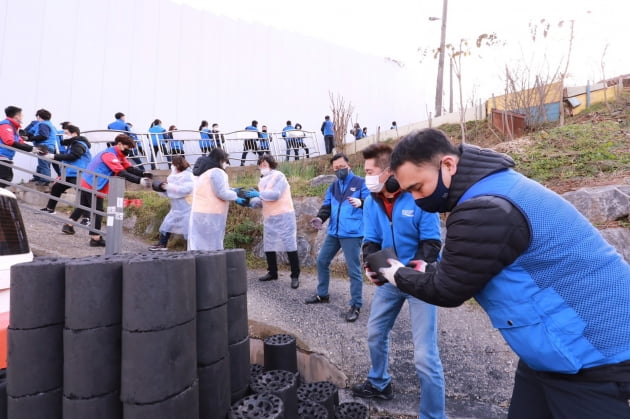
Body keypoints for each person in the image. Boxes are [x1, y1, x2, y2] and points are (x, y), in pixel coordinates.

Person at [378, 128, 630, 419]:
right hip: (550, 347)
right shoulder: (491, 188)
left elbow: (447, 289)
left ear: (448, 164)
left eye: (418, 188)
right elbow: (465, 264)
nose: (417, 199)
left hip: (589, 350)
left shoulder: (484, 209)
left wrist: (394, 273)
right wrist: (422, 269)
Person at [351, 143, 446, 418]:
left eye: (370, 171)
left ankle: (433, 414)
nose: (366, 176)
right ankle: (379, 382)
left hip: (419, 282)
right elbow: (370, 240)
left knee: (425, 356)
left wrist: (414, 269)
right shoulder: (371, 202)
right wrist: (371, 264)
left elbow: (431, 242)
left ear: (389, 173)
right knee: (374, 333)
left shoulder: (419, 197)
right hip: (389, 282)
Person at [305, 153, 370, 322]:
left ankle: (356, 304)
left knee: (353, 268)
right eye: (336, 168)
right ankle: (322, 294)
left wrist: (361, 203)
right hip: (334, 232)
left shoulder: (360, 183)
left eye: (342, 167)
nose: (339, 170)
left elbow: (371, 201)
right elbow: (327, 206)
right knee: (322, 261)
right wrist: (320, 218)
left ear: (348, 165)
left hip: (352, 232)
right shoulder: (333, 187)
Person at [62, 134, 151, 247]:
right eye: (127, 147)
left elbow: (129, 168)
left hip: (88, 181)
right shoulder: (109, 155)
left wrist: (143, 173)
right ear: (119, 144)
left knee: (82, 206)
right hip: (93, 184)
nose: (128, 151)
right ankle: (95, 238)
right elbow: (121, 172)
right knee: (98, 211)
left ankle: (68, 225)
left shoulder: (118, 154)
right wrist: (139, 181)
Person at [238, 154, 300, 289]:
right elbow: (263, 200)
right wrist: (250, 203)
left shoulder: (279, 176)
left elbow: (275, 195)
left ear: (271, 164)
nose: (262, 167)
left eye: (264, 164)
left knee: (290, 244)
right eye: (260, 165)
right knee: (269, 244)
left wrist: (258, 194)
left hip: (284, 215)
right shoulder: (263, 180)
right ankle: (272, 272)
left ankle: (295, 275)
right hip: (270, 217)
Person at [188, 148, 238, 250]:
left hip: (199, 212)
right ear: (220, 159)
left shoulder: (202, 173)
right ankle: (212, 265)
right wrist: (235, 195)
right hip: (212, 213)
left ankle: (200, 265)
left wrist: (232, 190)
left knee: (199, 244)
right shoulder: (217, 172)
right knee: (212, 245)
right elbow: (221, 193)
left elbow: (210, 189)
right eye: (225, 161)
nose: (226, 164)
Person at [39, 124, 92, 214]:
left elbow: (73, 156)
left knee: (83, 195)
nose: (64, 135)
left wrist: (53, 156)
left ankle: (88, 217)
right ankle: (50, 209)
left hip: (78, 173)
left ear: (74, 133)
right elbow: (65, 156)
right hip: (70, 173)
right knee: (56, 188)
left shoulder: (79, 144)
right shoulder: (73, 144)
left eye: (66, 133)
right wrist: (52, 155)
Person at [148, 155, 194, 251]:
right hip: (176, 207)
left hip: (187, 206)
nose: (172, 167)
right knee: (167, 224)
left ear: (178, 165)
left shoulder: (188, 175)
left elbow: (187, 189)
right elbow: (169, 193)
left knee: (189, 227)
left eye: (173, 164)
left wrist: (170, 187)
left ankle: (193, 246)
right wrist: (160, 189)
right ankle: (162, 244)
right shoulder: (172, 177)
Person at [0, 106, 33, 187]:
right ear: (16, 116)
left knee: (6, 180)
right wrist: (31, 148)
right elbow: (9, 141)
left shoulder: (13, 127)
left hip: (6, 157)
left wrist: (35, 149)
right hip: (2, 157)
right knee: (4, 181)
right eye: (21, 115)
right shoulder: (6, 125)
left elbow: (19, 141)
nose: (22, 117)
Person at [24, 108, 57, 185]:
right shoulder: (49, 124)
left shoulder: (43, 124)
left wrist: (30, 138)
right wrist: (30, 138)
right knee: (42, 163)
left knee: (43, 163)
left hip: (44, 146)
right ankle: (37, 178)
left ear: (38, 116)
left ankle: (45, 180)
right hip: (49, 146)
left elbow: (43, 136)